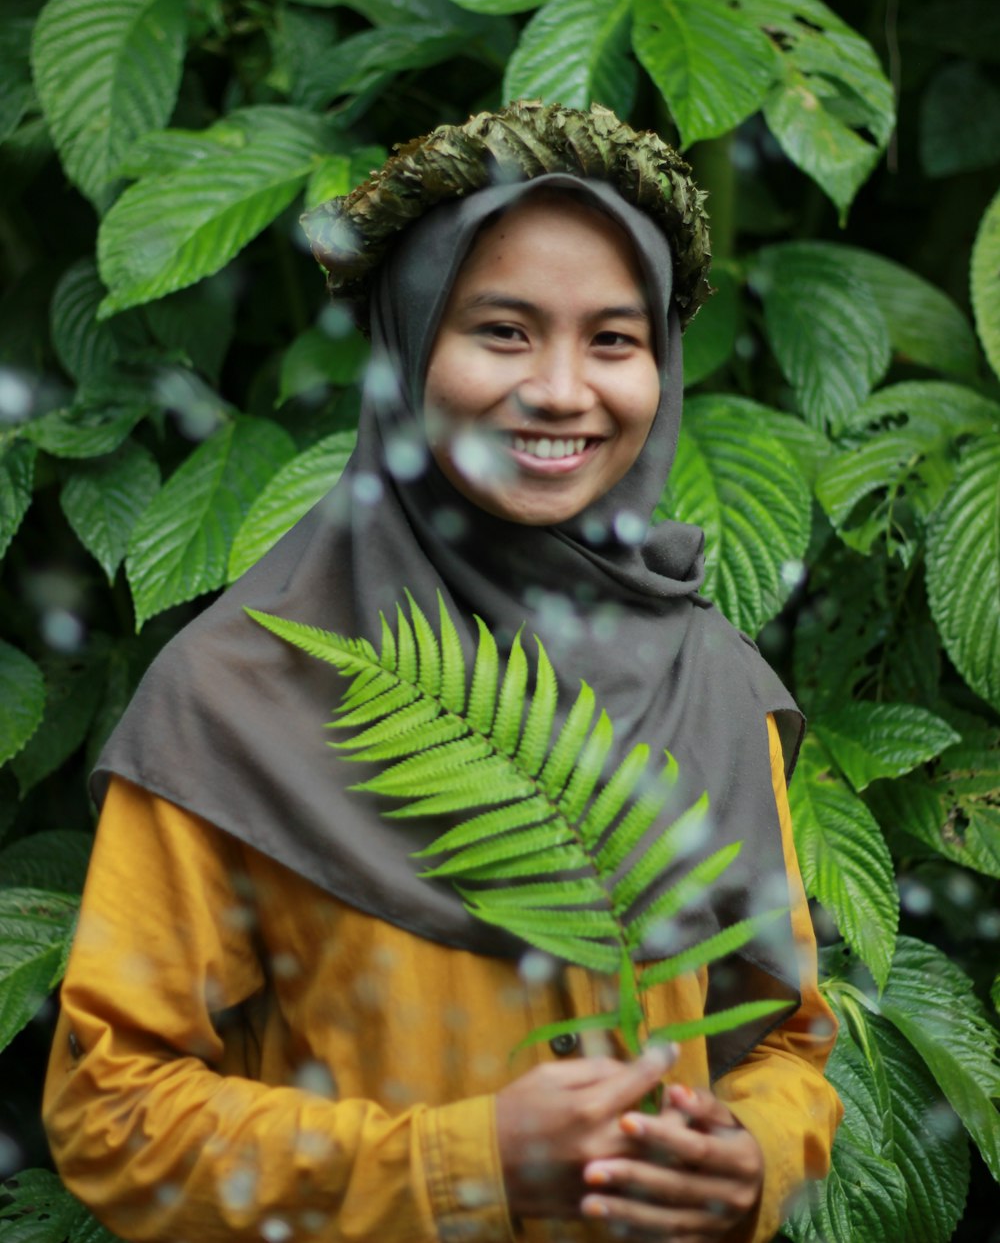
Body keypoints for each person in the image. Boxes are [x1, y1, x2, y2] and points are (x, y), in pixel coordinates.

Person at [44, 101, 842, 1243]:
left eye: (611, 340)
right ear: (406, 347)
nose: (563, 389)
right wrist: (464, 1165)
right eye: (502, 331)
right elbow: (108, 1110)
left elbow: (780, 1041)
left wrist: (753, 1159)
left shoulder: (710, 683)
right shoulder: (236, 692)